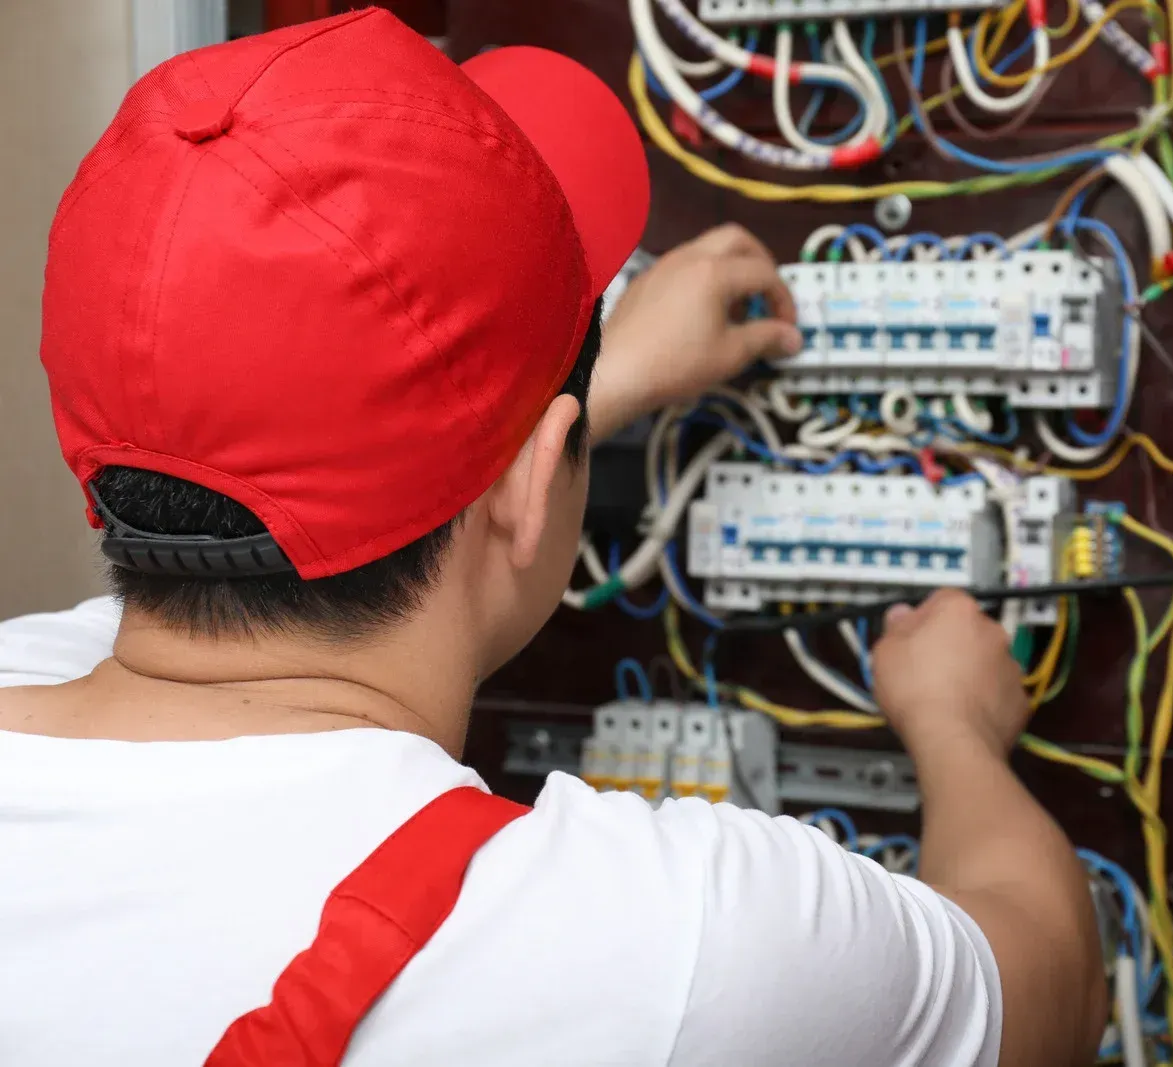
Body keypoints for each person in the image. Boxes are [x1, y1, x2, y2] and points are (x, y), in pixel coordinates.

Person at [0, 10, 1105, 1066]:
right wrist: (954, 722)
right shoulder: (664, 950)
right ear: (536, 482)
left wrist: (561, 414)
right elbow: (1049, 984)